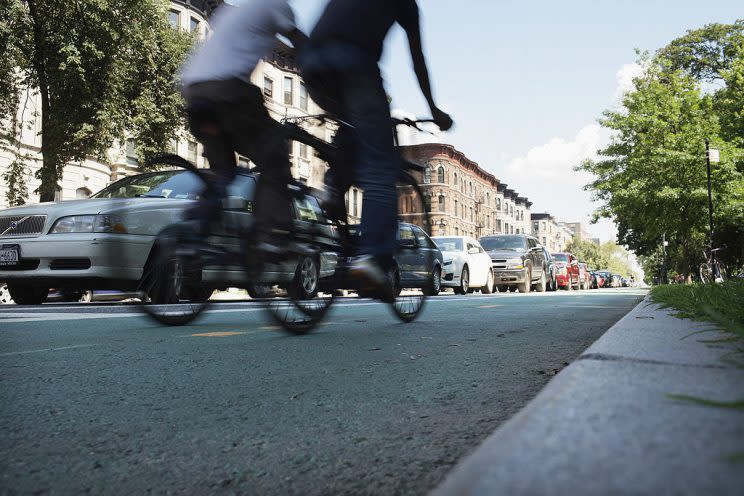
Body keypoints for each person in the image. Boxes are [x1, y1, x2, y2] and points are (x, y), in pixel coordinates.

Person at [300, 0, 453, 299]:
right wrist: (434, 109)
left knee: (352, 125)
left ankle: (333, 187)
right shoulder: (407, 5)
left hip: (313, 65)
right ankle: (371, 258)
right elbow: (417, 59)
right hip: (355, 64)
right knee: (380, 168)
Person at [179, 0, 307, 247]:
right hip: (228, 90)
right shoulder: (277, 6)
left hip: (194, 92)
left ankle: (196, 227)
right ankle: (270, 236)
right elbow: (302, 45)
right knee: (275, 157)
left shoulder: (235, 13)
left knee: (223, 169)